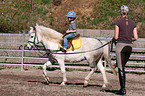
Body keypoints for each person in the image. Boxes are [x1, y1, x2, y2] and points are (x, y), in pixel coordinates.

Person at [111, 5, 138, 95]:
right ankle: (122, 88)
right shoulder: (133, 23)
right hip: (129, 47)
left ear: (120, 12)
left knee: (121, 68)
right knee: (122, 66)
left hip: (121, 46)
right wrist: (129, 39)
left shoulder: (118, 22)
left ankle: (122, 89)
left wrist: (112, 40)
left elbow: (116, 37)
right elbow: (136, 37)